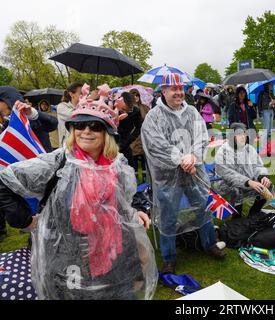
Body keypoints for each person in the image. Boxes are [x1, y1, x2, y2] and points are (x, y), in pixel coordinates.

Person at [0, 85, 158, 299]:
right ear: (73, 129)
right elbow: (3, 181)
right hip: (69, 264)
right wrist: (25, 220)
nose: (86, 131)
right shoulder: (58, 162)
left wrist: (135, 210)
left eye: (95, 126)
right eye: (79, 125)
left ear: (107, 133)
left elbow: (124, 199)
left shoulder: (116, 164)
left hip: (116, 260)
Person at [141, 73, 226, 275]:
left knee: (203, 207)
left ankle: (210, 243)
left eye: (181, 89)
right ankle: (169, 257)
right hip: (168, 176)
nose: (179, 93)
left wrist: (193, 157)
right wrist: (181, 158)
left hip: (194, 171)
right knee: (168, 216)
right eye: (173, 89)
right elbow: (156, 144)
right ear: (163, 91)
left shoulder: (192, 112)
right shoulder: (154, 116)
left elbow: (201, 136)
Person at [215, 122, 272, 217]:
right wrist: (248, 182)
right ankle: (237, 218)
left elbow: (258, 166)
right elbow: (227, 175)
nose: (243, 137)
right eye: (239, 134)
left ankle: (253, 214)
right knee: (235, 191)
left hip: (248, 182)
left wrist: (263, 177)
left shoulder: (249, 149)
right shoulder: (223, 152)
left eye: (244, 134)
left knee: (266, 186)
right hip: (227, 185)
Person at [115, 91, 143, 169]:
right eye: (123, 109)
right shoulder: (113, 108)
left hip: (125, 143)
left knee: (128, 169)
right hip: (111, 142)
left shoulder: (135, 111)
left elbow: (139, 127)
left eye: (128, 109)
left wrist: (129, 140)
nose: (126, 112)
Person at [129, 89, 150, 179]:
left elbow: (150, 120)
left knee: (144, 163)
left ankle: (145, 181)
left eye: (137, 95)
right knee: (134, 163)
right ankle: (135, 181)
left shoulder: (145, 107)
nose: (135, 97)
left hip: (143, 138)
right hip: (133, 139)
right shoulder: (127, 109)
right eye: (133, 95)